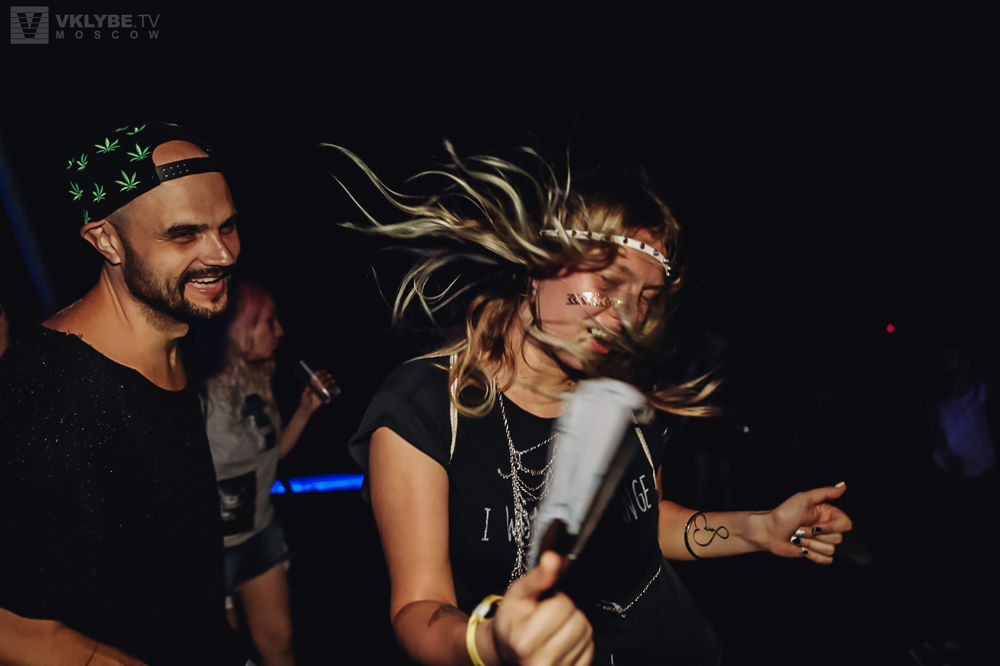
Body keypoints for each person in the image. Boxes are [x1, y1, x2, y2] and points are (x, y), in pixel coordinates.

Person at [340, 143, 854, 665]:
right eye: (608, 283)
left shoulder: (624, 392)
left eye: (646, 298)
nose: (627, 316)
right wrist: (491, 643)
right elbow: (418, 606)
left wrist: (759, 528)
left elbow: (647, 522)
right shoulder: (425, 406)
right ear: (537, 263)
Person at [0, 121, 245, 665]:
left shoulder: (171, 342)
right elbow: (12, 628)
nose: (222, 254)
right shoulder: (53, 395)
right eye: (184, 234)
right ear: (106, 240)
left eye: (227, 226)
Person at [199, 281, 337, 666]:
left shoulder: (257, 381)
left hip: (260, 535)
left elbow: (271, 459)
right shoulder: (198, 392)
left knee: (280, 647)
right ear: (241, 330)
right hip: (212, 550)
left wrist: (305, 410)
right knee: (225, 656)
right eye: (269, 321)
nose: (280, 331)